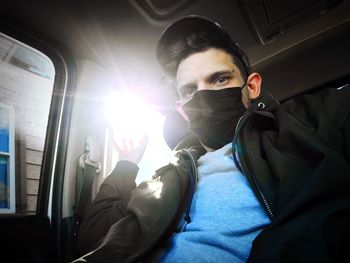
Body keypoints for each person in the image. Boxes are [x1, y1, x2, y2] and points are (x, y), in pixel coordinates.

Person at [73, 15, 350, 263]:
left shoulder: (307, 124)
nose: (204, 97)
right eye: (190, 91)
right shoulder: (166, 178)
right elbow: (93, 238)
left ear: (251, 86)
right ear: (181, 109)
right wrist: (126, 164)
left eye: (219, 80)